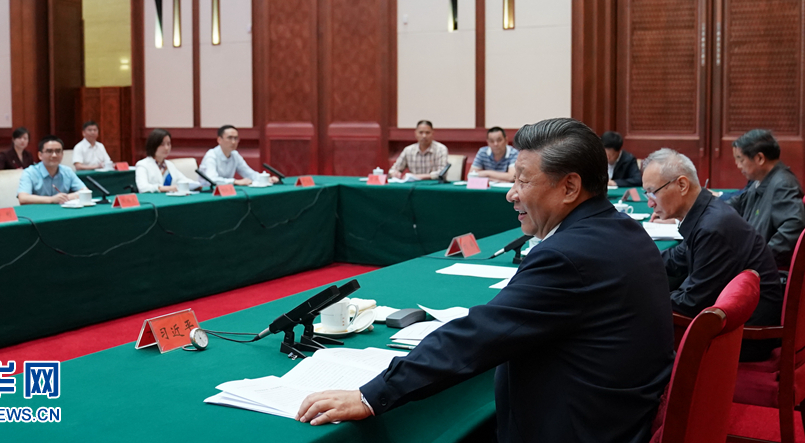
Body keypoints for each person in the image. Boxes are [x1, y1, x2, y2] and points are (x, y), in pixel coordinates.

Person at [298, 118, 675, 443]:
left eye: (523, 181)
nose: (511, 194)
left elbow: (477, 336)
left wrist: (369, 395)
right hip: (622, 415)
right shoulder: (625, 229)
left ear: (570, 187)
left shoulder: (567, 256)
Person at [642, 148, 783, 350]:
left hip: (747, 334)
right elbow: (676, 258)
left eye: (653, 192)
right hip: (737, 322)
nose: (649, 203)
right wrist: (636, 265)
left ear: (682, 185)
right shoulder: (707, 212)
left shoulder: (713, 227)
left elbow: (690, 303)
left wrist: (636, 301)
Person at [727, 129, 805, 267]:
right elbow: (736, 204)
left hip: (766, 270)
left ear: (760, 158)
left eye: (741, 159)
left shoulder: (783, 184)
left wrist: (762, 258)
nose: (738, 165)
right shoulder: (759, 181)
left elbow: (793, 225)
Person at [17, 136, 86, 205]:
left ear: (62, 154)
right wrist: (51, 199)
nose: (54, 155)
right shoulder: (30, 172)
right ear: (40, 155)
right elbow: (23, 198)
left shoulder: (67, 171)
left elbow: (85, 191)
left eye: (58, 151)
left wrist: (64, 198)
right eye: (49, 151)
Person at [199, 125, 276, 186]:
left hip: (226, 191)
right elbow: (212, 179)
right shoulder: (211, 155)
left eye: (235, 138)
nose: (233, 142)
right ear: (219, 140)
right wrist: (235, 182)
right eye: (229, 138)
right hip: (206, 192)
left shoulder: (235, 155)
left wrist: (265, 179)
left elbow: (249, 173)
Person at [135, 129, 199, 193]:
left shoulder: (170, 165)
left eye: (168, 144)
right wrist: (167, 188)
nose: (166, 148)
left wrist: (197, 185)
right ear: (153, 145)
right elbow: (143, 188)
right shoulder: (142, 165)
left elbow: (183, 180)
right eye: (162, 144)